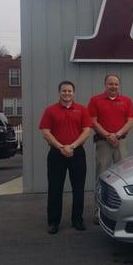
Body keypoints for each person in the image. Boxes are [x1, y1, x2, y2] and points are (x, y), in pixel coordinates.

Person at [39, 80, 92, 234]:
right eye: (64, 91)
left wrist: (72, 146)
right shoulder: (50, 110)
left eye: (69, 91)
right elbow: (46, 132)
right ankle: (53, 222)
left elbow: (86, 131)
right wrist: (61, 147)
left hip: (77, 153)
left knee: (78, 188)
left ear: (73, 93)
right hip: (57, 153)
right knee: (55, 188)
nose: (67, 93)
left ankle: (77, 220)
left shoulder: (82, 110)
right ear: (59, 92)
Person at [88, 74, 133, 223]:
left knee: (123, 177)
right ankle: (98, 211)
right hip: (103, 143)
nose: (113, 87)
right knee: (101, 176)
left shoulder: (126, 101)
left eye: (116, 84)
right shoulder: (95, 100)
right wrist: (108, 135)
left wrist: (117, 134)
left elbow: (130, 120)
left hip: (121, 142)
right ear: (105, 85)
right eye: (110, 84)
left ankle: (122, 210)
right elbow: (93, 121)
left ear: (119, 85)